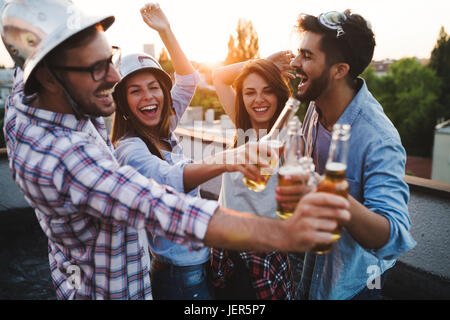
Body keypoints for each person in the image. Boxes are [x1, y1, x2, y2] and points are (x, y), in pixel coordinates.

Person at [1, 0, 351, 300]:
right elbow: (160, 204)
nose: (111, 78)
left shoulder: (39, 91)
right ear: (48, 77)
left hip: (145, 271)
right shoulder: (63, 159)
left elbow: (187, 80)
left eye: (110, 59)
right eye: (97, 69)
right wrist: (283, 232)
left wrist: (166, 31)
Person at [111, 4, 266, 300]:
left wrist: (165, 31)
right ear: (123, 103)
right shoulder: (130, 150)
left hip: (197, 264)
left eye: (154, 87)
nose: (148, 97)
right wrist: (228, 159)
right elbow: (170, 179)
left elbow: (189, 79)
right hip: (178, 275)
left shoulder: (163, 128)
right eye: (135, 91)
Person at [276, 10, 416, 300]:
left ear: (339, 70)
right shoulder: (318, 103)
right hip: (312, 269)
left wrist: (332, 194)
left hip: (356, 286)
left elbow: (394, 236)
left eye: (306, 55)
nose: (294, 62)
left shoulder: (379, 138)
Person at [211, 55, 298, 300]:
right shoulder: (242, 128)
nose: (258, 100)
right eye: (250, 92)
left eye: (267, 91)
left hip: (264, 255)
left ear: (279, 95)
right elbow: (218, 76)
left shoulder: (288, 137)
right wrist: (264, 63)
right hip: (226, 250)